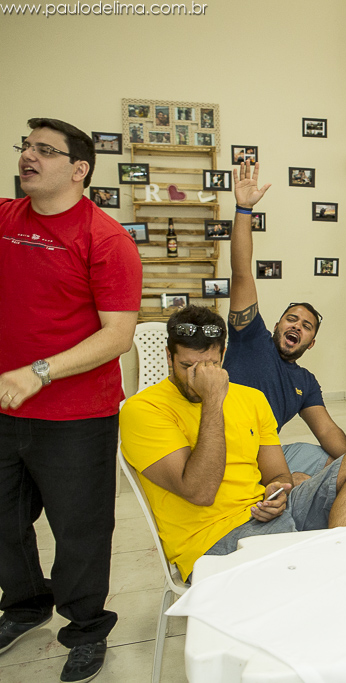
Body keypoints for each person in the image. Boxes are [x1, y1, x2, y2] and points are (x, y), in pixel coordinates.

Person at [0, 118, 142, 682]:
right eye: (25, 147)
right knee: (4, 521)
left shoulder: (105, 239)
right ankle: (25, 604)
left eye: (44, 150)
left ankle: (85, 628)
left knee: (80, 532)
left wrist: (40, 372)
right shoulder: (6, 219)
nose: (28, 156)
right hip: (5, 408)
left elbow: (118, 335)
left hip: (76, 415)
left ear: (79, 169)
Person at [119, 306, 346, 582]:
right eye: (188, 366)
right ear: (168, 356)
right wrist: (213, 400)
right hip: (215, 540)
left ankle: (342, 568)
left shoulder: (252, 398)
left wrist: (277, 491)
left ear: (223, 354)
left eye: (210, 366)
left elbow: (277, 473)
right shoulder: (143, 409)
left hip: (264, 513)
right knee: (315, 568)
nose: (199, 377)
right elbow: (200, 492)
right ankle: (338, 576)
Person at [224, 162, 346, 478]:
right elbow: (241, 273)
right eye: (291, 319)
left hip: (263, 456)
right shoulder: (249, 337)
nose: (296, 326)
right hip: (223, 454)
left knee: (332, 466)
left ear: (311, 343)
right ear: (276, 326)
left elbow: (327, 430)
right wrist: (243, 210)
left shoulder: (305, 382)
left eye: (306, 326)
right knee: (299, 480)